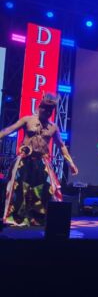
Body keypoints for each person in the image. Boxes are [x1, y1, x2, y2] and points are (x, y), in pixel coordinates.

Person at [0, 92, 78, 226]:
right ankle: (17, 217)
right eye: (45, 108)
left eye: (50, 110)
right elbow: (9, 130)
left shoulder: (53, 127)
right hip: (24, 160)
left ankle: (37, 218)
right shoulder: (27, 120)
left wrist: (70, 163)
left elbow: (61, 146)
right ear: (39, 107)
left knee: (44, 189)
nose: (47, 112)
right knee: (19, 189)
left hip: (41, 162)